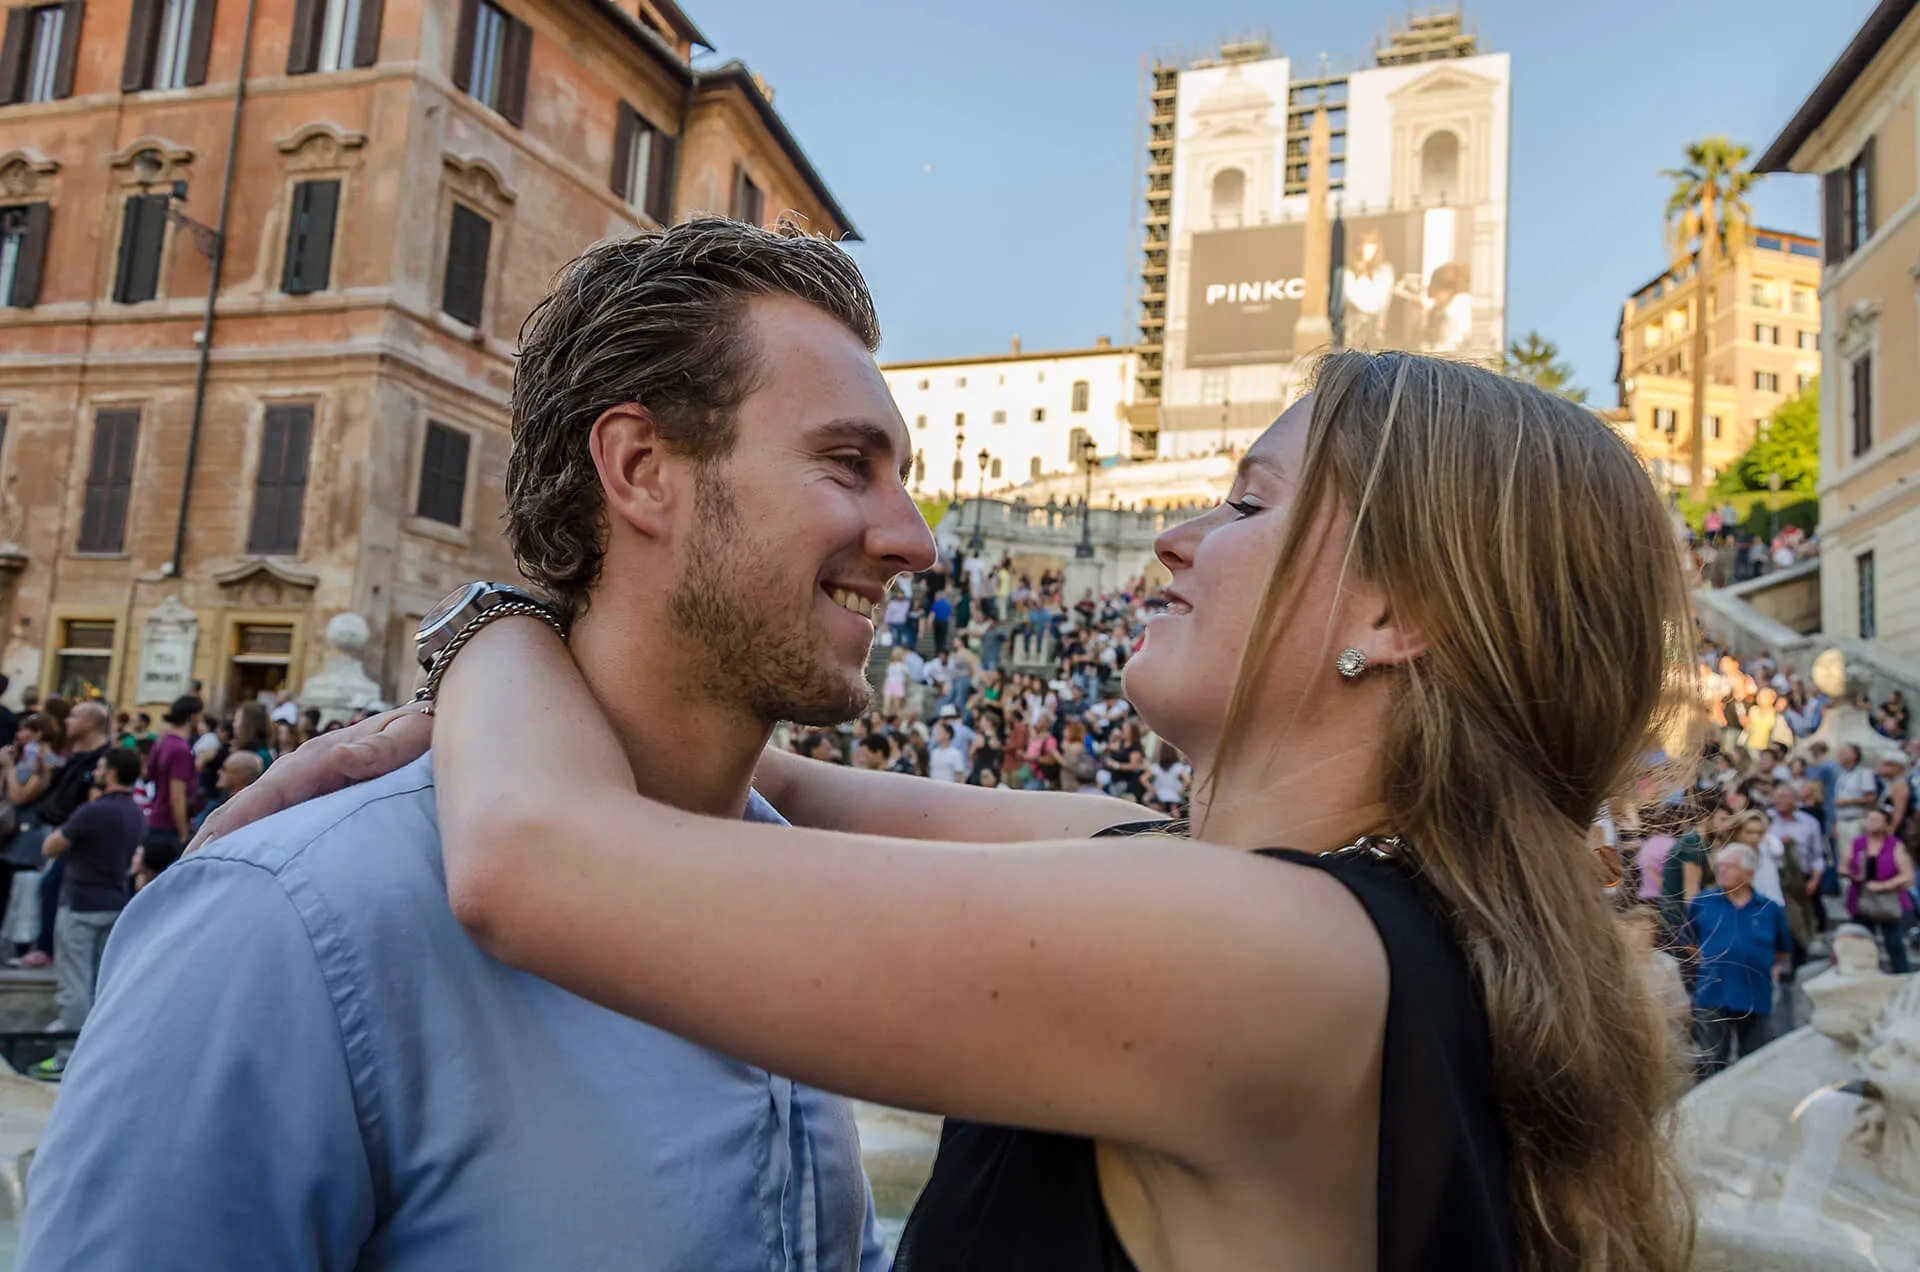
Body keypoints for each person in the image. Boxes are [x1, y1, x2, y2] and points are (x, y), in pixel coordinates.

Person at [217, 350, 1699, 1269]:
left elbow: (535, 863)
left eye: (1248, 505)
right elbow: (762, 776)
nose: (1178, 537)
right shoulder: (1243, 893)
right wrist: (440, 742)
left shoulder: (1264, 957)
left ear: (1402, 612)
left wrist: (493, 624)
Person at [20, 219, 960, 1269]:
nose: (914, 540)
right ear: (641, 467)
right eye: (846, 466)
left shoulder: (797, 896)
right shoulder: (288, 920)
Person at [31, 747, 145, 1081]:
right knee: (100, 984)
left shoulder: (95, 811)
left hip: (81, 903)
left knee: (74, 984)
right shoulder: (136, 813)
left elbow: (51, 846)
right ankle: (94, 1057)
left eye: (100, 767)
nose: (95, 770)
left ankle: (66, 1056)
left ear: (110, 773)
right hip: (114, 902)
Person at [1685, 841, 1791, 1078]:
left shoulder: (1768, 909)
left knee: (1754, 1065)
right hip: (1712, 993)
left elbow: (1781, 950)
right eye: (1720, 866)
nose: (1722, 871)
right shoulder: (1703, 902)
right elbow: (1689, 941)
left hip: (1754, 993)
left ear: (1749, 873)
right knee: (1710, 1063)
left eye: (1730, 866)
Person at [1841, 806, 1915, 974]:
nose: (1871, 823)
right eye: (1869, 819)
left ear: (1886, 824)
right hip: (1861, 899)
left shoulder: (1896, 845)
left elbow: (1907, 876)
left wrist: (1883, 886)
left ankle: (1901, 977)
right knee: (1861, 943)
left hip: (1888, 901)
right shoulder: (1857, 843)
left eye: (1876, 820)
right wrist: (1853, 874)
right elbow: (1843, 867)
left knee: (1894, 943)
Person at [141, 695, 201, 879]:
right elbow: (177, 796)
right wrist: (183, 835)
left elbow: (146, 774)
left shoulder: (163, 742)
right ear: (192, 717)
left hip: (154, 820)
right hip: (169, 827)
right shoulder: (181, 750)